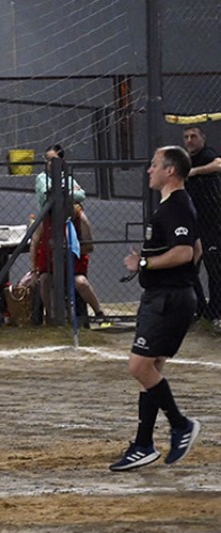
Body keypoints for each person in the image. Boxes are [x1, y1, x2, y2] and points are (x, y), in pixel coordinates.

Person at [111, 146, 203, 471]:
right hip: (165, 297)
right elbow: (197, 247)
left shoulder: (176, 206)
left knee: (139, 367)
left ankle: (180, 425)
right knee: (151, 371)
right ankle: (143, 445)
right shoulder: (171, 206)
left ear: (170, 171)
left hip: (168, 299)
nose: (149, 170)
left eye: (154, 165)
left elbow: (183, 253)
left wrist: (144, 263)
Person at [30, 145, 87, 322]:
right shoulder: (41, 178)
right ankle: (52, 315)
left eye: (52, 159)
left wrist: (65, 193)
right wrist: (65, 193)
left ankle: (80, 314)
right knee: (46, 277)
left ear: (61, 161)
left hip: (65, 221)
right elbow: (48, 192)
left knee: (73, 276)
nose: (48, 163)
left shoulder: (67, 178)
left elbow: (81, 195)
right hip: (47, 221)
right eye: (46, 159)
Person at [181, 125, 221, 322]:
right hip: (192, 223)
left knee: (214, 267)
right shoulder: (184, 158)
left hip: (213, 222)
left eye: (193, 136)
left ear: (202, 138)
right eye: (186, 137)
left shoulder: (207, 154)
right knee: (189, 267)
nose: (189, 140)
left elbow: (218, 164)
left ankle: (215, 312)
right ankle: (200, 309)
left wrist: (195, 172)